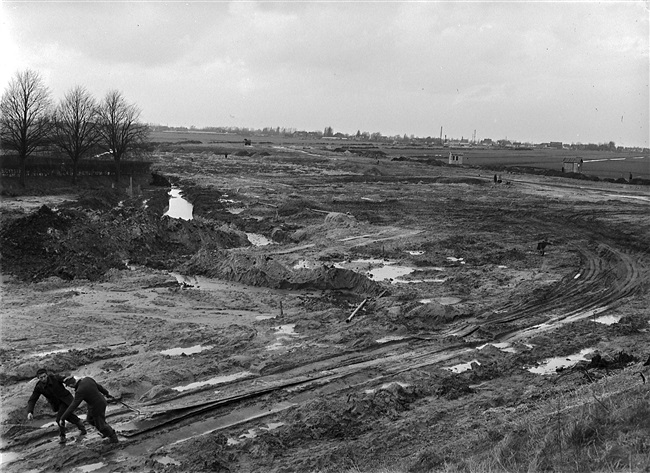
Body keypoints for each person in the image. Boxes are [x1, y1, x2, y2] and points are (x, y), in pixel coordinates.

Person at [26, 368, 87, 444]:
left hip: (66, 400)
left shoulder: (54, 378)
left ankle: (62, 437)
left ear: (47, 375)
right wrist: (30, 411)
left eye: (44, 376)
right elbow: (33, 399)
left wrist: (76, 383)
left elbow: (65, 379)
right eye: (41, 378)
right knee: (68, 416)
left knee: (59, 419)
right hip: (57, 404)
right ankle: (80, 425)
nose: (43, 379)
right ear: (38, 378)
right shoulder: (39, 387)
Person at [61, 376, 118, 444]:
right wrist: (106, 393)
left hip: (97, 407)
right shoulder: (87, 379)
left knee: (101, 425)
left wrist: (63, 417)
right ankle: (105, 432)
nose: (70, 387)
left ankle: (113, 438)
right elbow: (99, 387)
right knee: (90, 420)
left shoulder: (80, 391)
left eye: (69, 386)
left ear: (71, 385)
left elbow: (73, 406)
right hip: (98, 403)